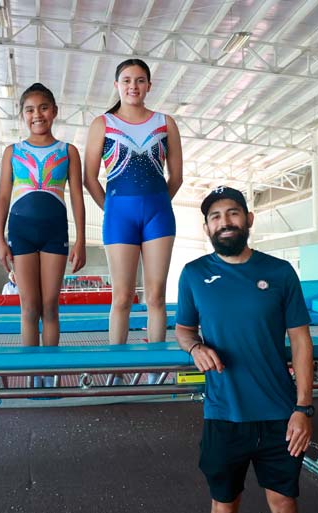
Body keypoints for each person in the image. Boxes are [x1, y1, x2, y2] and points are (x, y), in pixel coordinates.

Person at [174, 186, 314, 513]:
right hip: (223, 414)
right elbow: (184, 329)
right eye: (216, 216)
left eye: (232, 213)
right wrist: (196, 347)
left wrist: (303, 407)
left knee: (284, 506)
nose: (225, 222)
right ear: (206, 227)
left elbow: (302, 342)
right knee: (224, 507)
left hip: (278, 415)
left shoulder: (281, 272)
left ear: (249, 219)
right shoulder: (194, 273)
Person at [84, 58, 183, 346]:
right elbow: (89, 178)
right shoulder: (104, 124)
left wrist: (158, 203)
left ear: (149, 86)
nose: (133, 86)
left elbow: (176, 177)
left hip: (159, 216)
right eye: (127, 80)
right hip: (119, 217)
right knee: (122, 297)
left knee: (156, 296)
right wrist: (113, 209)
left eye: (140, 80)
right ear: (117, 85)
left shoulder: (165, 123)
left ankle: (156, 372)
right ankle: (115, 370)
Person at [0, 82, 86, 347]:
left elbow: (78, 197)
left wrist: (80, 240)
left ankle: (50, 375)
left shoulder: (68, 151)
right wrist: (0, 239)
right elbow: (3, 197)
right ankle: (33, 378)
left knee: (49, 306)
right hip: (21, 232)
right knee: (29, 307)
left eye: (44, 108)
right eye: (30, 109)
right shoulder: (12, 152)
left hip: (54, 232)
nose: (37, 115)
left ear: (54, 111)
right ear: (22, 114)